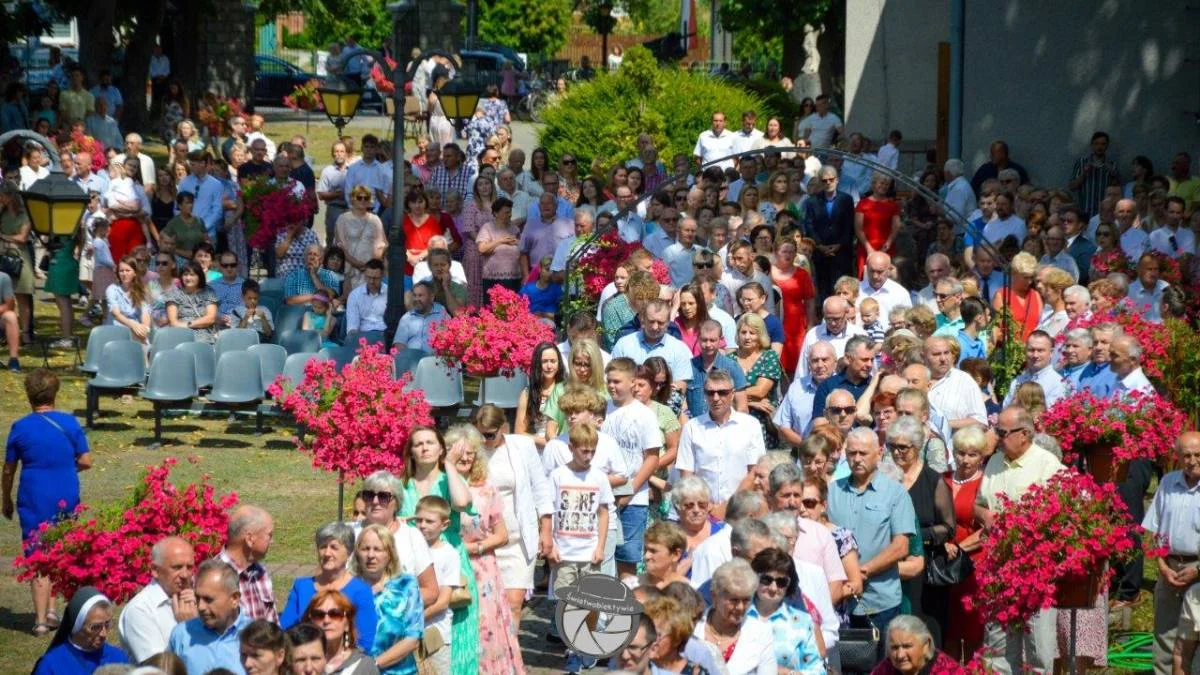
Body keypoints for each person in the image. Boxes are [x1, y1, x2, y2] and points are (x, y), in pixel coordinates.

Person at [975, 407, 1064, 674]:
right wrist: (984, 514)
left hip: (1035, 571)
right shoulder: (993, 462)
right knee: (998, 648)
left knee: (1038, 649)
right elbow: (978, 503)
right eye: (996, 430)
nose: (996, 437)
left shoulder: (1048, 465)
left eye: (1002, 432)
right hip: (998, 568)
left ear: (1024, 434)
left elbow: (1066, 513)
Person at [4, 369, 91, 636]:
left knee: (38, 553)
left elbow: (9, 469)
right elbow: (86, 461)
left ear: (29, 395)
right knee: (60, 549)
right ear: (55, 393)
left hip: (33, 495)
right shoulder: (70, 423)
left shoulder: (20, 428)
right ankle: (53, 610)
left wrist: (4, 498)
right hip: (65, 493)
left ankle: (41, 620)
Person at [397, 427, 479, 673]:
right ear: (411, 451)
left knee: (457, 636)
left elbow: (462, 503)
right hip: (414, 567)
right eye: (418, 443)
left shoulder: (449, 479)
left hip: (450, 564)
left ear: (441, 448)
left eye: (430, 442)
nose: (424, 447)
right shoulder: (403, 486)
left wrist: (450, 466)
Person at [448, 425, 527, 674]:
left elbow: (502, 535)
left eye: (471, 452)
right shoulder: (441, 486)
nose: (466, 457)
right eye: (460, 451)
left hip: (481, 567)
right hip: (449, 566)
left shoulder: (485, 489)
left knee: (485, 624)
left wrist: (475, 547)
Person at [827, 428, 917, 637]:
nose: (857, 459)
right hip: (840, 602)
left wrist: (861, 572)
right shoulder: (832, 492)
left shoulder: (895, 493)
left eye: (863, 453)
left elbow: (900, 547)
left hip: (881, 602)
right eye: (851, 453)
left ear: (879, 452)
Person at [546, 421, 613, 673]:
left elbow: (603, 513)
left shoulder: (598, 477)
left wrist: (600, 545)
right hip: (564, 551)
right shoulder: (558, 476)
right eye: (583, 450)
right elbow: (549, 512)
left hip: (589, 551)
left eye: (592, 451)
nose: (588, 456)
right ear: (571, 447)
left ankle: (586, 645)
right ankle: (573, 649)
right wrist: (550, 544)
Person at [888, 416, 955, 638]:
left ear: (917, 447)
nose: (897, 452)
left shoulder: (933, 481)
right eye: (892, 446)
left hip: (926, 573)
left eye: (903, 448)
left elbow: (948, 527)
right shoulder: (886, 479)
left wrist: (914, 536)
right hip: (893, 566)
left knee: (926, 633)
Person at [1142, 432, 1200, 674]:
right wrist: (1162, 567)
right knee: (1165, 635)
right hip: (1168, 567)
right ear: (1177, 457)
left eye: (1197, 454)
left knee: (1194, 635)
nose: (1192, 460)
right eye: (1186, 455)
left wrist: (1197, 571)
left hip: (1197, 570)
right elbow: (1151, 530)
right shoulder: (1167, 483)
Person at [279, 523, 377, 650]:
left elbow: (365, 641)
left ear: (348, 552)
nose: (327, 553)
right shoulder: (302, 587)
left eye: (334, 547)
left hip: (345, 663)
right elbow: (285, 628)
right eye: (323, 547)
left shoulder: (361, 591)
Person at [677, 368, 766, 504]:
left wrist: (727, 508)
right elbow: (687, 475)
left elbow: (754, 472)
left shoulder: (751, 425)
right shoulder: (692, 427)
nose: (716, 398)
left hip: (741, 508)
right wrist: (705, 506)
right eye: (710, 393)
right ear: (704, 395)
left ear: (732, 394)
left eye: (722, 393)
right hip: (703, 508)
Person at [355, 471, 438, 606]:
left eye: (383, 496)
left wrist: (389, 601)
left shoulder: (411, 536)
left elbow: (431, 591)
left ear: (397, 503)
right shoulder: (349, 532)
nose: (375, 501)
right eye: (369, 495)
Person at [353, 524, 424, 675]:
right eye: (365, 549)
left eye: (378, 549)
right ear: (357, 553)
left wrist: (372, 666)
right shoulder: (348, 587)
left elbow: (412, 639)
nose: (371, 555)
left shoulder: (406, 585)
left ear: (390, 554)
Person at [747, 548, 826, 675]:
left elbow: (818, 670)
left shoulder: (803, 622)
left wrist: (788, 674)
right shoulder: (737, 615)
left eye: (781, 582)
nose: (773, 588)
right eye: (766, 580)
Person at [118, 537, 197, 662]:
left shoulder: (197, 601)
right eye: (177, 567)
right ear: (155, 570)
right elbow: (159, 668)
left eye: (189, 567)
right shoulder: (140, 610)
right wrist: (188, 628)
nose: (185, 575)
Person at [694, 558, 777, 673]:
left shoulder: (761, 632)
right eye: (734, 600)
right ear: (714, 596)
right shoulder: (692, 625)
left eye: (746, 600)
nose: (740, 607)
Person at [168, 560, 252, 673]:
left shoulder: (256, 636)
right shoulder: (182, 634)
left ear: (234, 599)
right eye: (197, 598)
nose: (201, 607)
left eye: (208, 599)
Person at [33, 586, 129, 674]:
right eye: (95, 627)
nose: (103, 634)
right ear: (77, 626)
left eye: (107, 624)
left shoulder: (119, 658)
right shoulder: (52, 665)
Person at [217, 505, 278, 623]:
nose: (272, 541)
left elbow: (274, 626)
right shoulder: (215, 576)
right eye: (269, 535)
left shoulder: (261, 573)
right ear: (250, 539)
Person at [803, 165, 856, 297]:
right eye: (824, 180)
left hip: (842, 251)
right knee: (822, 287)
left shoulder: (846, 200)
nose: (828, 183)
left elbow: (849, 224)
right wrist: (820, 246)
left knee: (842, 287)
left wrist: (839, 244)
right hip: (820, 252)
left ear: (837, 180)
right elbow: (809, 225)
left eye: (831, 180)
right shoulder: (812, 201)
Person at [772, 236, 818, 373]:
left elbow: (810, 301)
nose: (788, 255)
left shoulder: (802, 274)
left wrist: (810, 326)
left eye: (792, 252)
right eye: (784, 251)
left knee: (797, 365)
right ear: (776, 252)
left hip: (796, 326)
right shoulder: (767, 272)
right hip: (775, 321)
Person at [687, 319, 750, 417]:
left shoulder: (732, 367)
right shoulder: (688, 367)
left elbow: (742, 407)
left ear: (721, 340)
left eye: (712, 340)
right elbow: (682, 405)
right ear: (698, 339)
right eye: (704, 340)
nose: (708, 345)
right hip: (696, 428)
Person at [872, 614, 964, 675]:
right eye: (894, 648)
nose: (900, 655)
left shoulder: (949, 671)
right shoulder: (886, 669)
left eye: (907, 646)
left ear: (926, 645)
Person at [335, 185, 386, 292]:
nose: (363, 200)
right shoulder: (343, 219)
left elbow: (381, 244)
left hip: (371, 269)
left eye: (366, 198)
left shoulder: (375, 219)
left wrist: (370, 266)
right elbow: (340, 246)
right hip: (350, 268)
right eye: (359, 197)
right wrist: (358, 264)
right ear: (353, 198)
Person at [515, 342, 566, 449]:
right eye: (544, 362)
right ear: (537, 364)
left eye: (553, 361)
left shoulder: (567, 389)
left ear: (559, 363)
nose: (549, 366)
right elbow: (519, 432)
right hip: (540, 447)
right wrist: (543, 442)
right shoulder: (528, 393)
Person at [1002, 331, 1067, 407]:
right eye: (1031, 350)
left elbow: (1048, 415)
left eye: (1040, 350)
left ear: (1051, 352)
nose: (1035, 355)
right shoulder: (1018, 380)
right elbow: (1006, 408)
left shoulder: (1057, 384)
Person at [855, 173, 902, 275]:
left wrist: (885, 247)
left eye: (886, 184)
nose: (884, 186)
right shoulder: (862, 204)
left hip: (886, 248)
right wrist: (869, 249)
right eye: (881, 183)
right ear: (873, 184)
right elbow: (858, 228)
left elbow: (896, 227)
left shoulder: (893, 205)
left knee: (887, 277)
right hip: (866, 248)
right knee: (866, 277)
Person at [165, 261, 219, 344]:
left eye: (192, 275)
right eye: (185, 275)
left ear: (199, 276)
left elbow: (210, 318)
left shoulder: (208, 292)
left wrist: (188, 324)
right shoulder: (174, 294)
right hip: (181, 336)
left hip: (205, 337)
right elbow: (173, 323)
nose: (188, 278)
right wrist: (188, 327)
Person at [392, 281, 446, 353]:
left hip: (433, 360)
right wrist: (408, 357)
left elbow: (448, 339)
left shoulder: (441, 313)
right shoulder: (407, 318)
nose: (417, 299)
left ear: (431, 297)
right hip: (412, 360)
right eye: (415, 295)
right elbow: (399, 343)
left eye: (420, 295)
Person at [344, 260, 388, 335]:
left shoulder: (390, 293)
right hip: (363, 334)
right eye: (368, 277)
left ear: (382, 275)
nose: (371, 281)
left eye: (375, 278)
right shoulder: (355, 295)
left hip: (385, 334)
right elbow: (352, 325)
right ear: (364, 274)